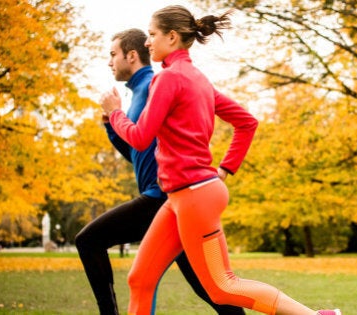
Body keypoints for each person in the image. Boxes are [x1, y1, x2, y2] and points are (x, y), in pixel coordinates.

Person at [100, 6, 341, 315]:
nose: (147, 42)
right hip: (181, 198)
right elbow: (247, 122)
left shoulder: (169, 79)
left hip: (195, 197)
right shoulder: (197, 79)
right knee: (140, 278)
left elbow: (140, 137)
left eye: (152, 35)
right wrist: (225, 169)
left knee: (222, 286)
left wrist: (115, 112)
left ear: (171, 37)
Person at [76, 28, 245, 315]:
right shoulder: (140, 94)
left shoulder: (157, 84)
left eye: (113, 54)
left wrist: (224, 168)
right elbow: (138, 153)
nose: (110, 62)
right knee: (210, 288)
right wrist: (112, 124)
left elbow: (142, 140)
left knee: (89, 241)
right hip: (174, 201)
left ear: (131, 56)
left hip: (165, 198)